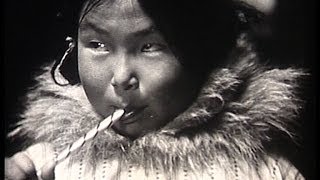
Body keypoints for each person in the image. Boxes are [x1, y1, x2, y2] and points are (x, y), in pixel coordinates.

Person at [5, 0, 306, 179]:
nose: (121, 77)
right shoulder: (45, 165)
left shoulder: (264, 171)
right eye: (97, 45)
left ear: (204, 54)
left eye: (149, 47)